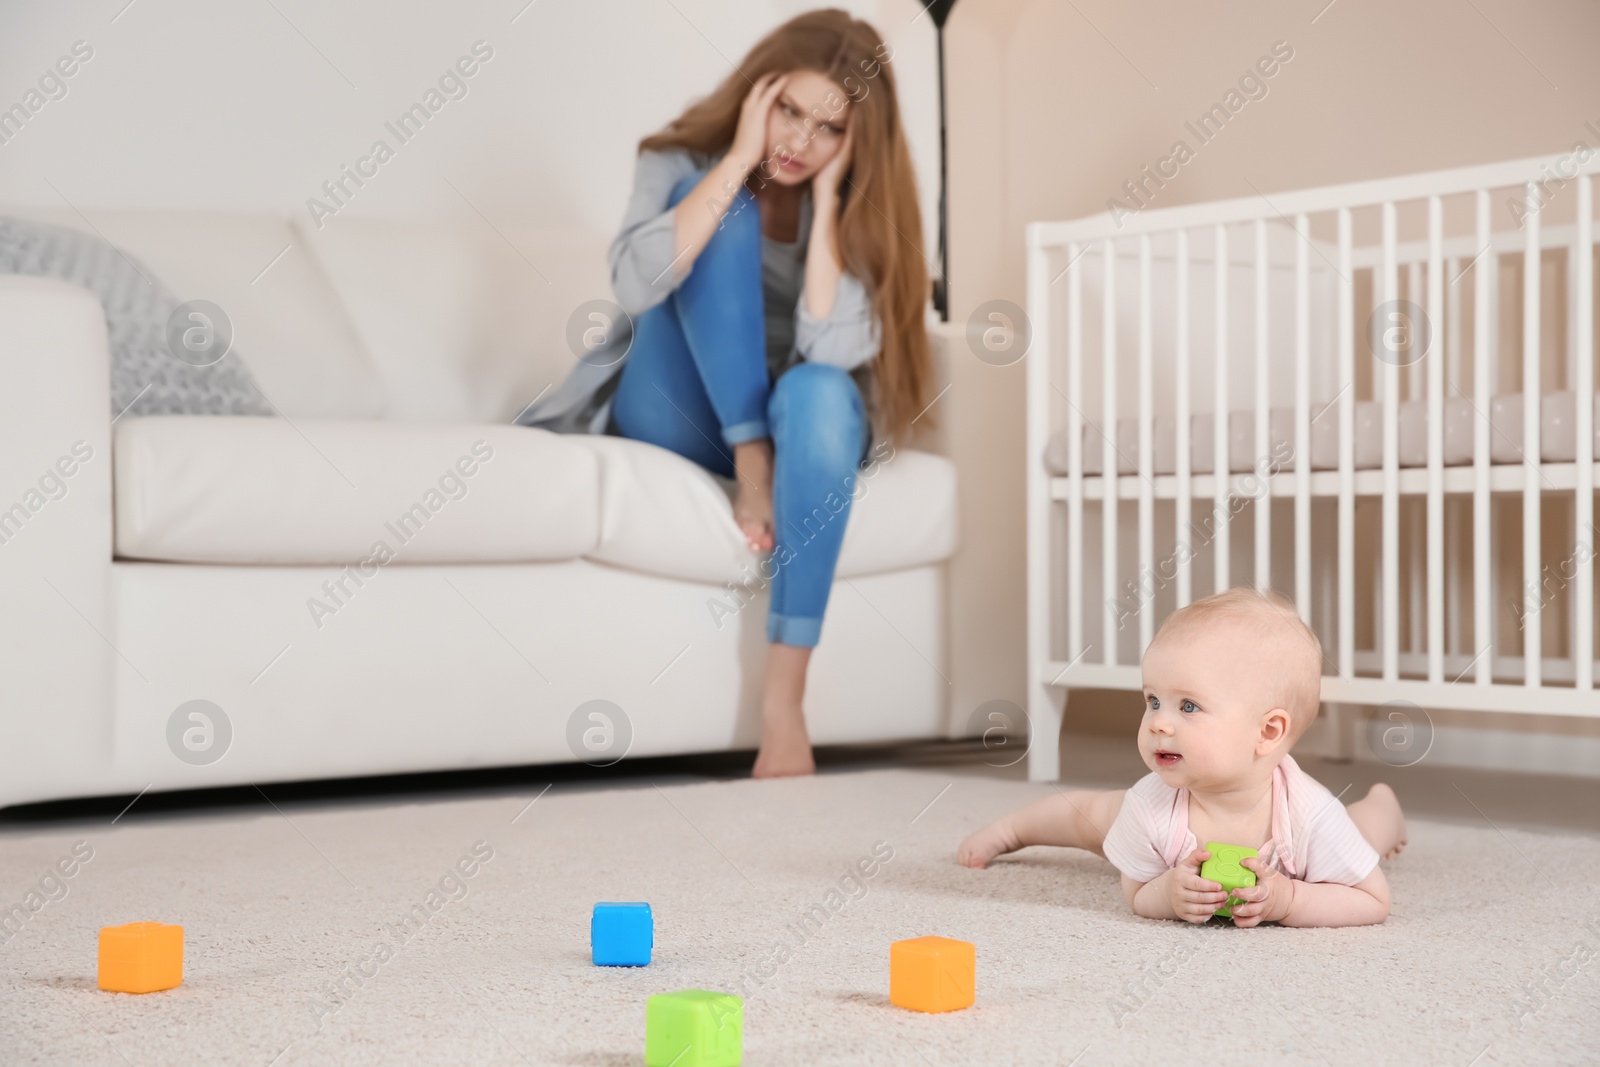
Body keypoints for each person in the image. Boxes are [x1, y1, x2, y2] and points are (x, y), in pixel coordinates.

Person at [517, 9, 932, 777]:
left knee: (816, 390)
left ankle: (784, 703)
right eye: (789, 111)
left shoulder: (862, 209)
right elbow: (637, 283)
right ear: (757, 94)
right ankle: (751, 463)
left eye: (830, 129)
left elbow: (834, 351)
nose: (800, 142)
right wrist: (739, 159)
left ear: (858, 140)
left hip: (794, 428)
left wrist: (833, 208)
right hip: (674, 407)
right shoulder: (676, 159)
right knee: (721, 210)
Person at [956, 588, 1408, 927]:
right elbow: (1136, 892)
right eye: (1153, 701)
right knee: (1088, 818)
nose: (1158, 723)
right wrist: (1166, 895)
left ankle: (1384, 802)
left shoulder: (1311, 814)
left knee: (1364, 833)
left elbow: (1374, 902)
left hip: (1307, 841)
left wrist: (1289, 900)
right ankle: (1011, 830)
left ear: (1268, 732)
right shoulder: (1149, 804)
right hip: (1163, 821)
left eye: (1188, 706)